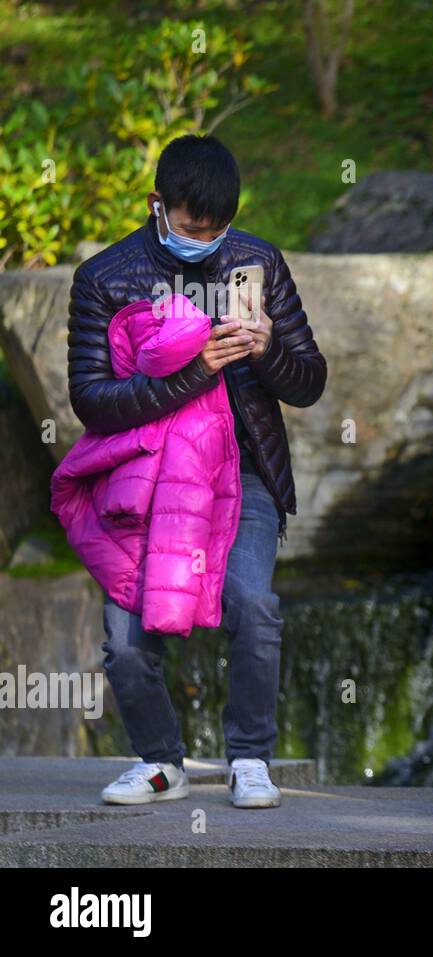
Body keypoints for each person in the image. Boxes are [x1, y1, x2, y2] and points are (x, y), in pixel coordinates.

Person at [67, 134, 327, 808]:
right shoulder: (103, 278)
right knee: (124, 644)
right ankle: (161, 762)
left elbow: (309, 382)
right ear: (158, 207)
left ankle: (249, 757)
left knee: (253, 603)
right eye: (191, 229)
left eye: (218, 230)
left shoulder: (257, 260)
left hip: (245, 474)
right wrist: (193, 371)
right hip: (145, 479)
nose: (206, 242)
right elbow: (91, 402)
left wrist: (268, 350)